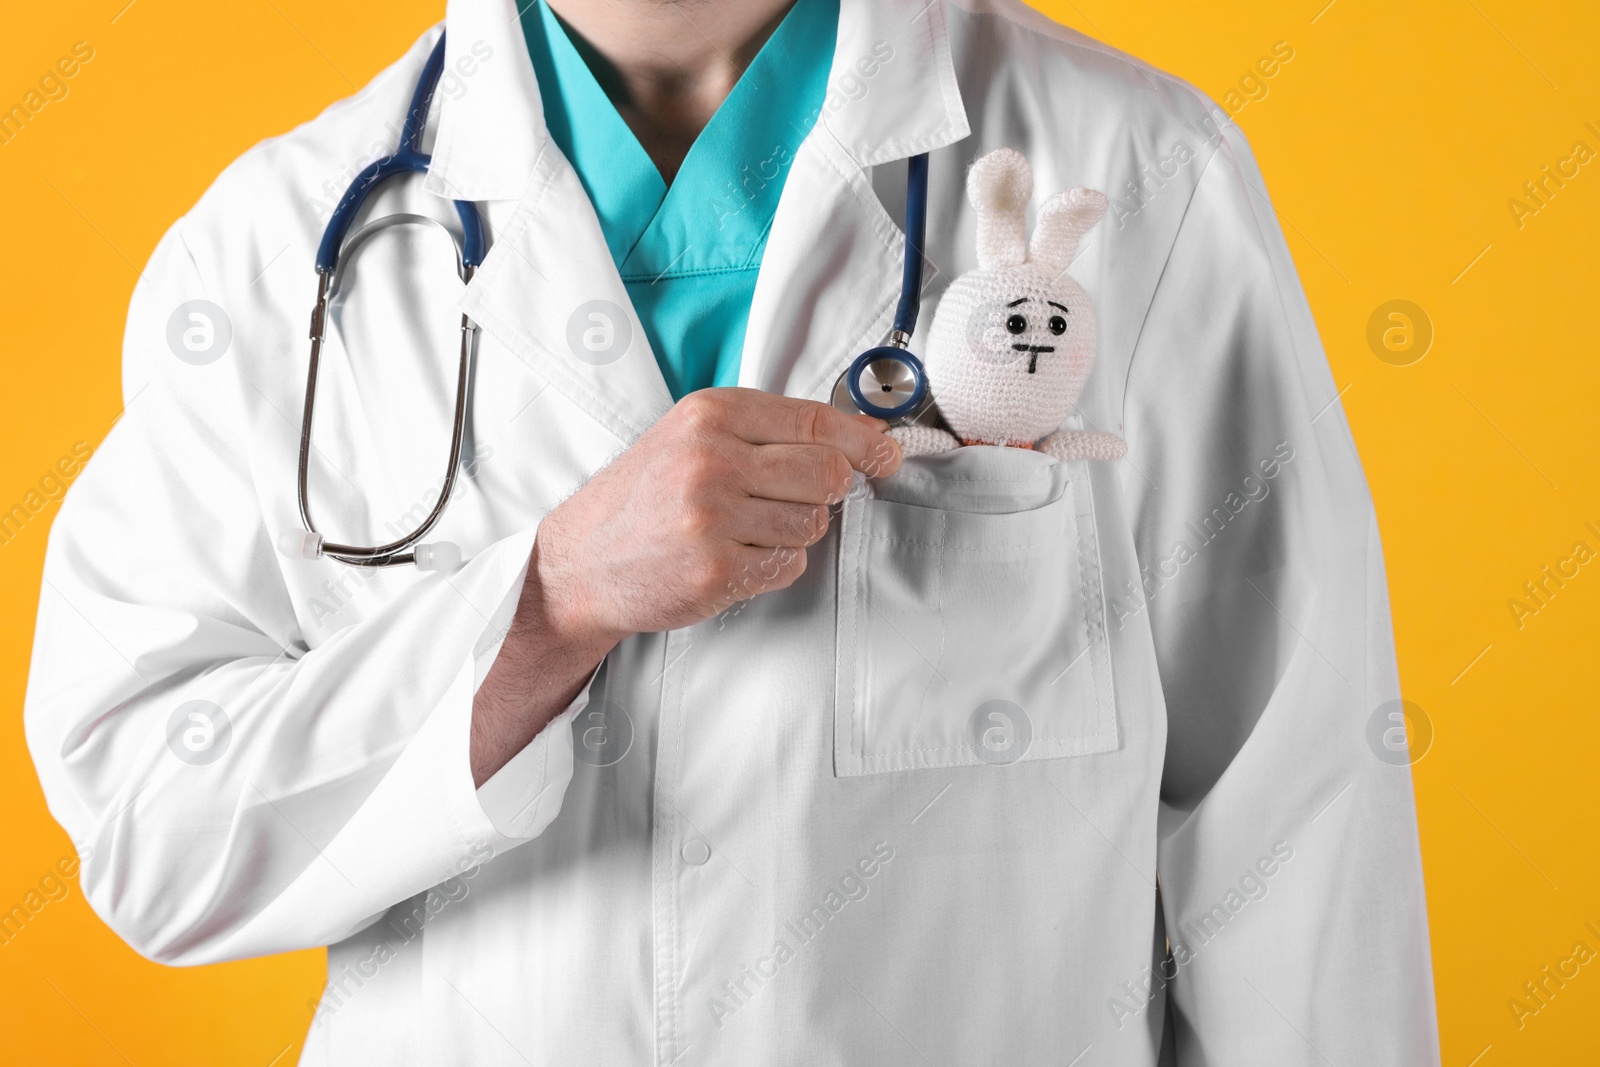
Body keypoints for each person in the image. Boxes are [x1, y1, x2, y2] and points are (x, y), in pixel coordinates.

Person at [24, 0, 1440, 1063]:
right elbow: (154, 818)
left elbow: (1301, 821)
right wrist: (551, 598)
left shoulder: (1136, 172)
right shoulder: (273, 245)